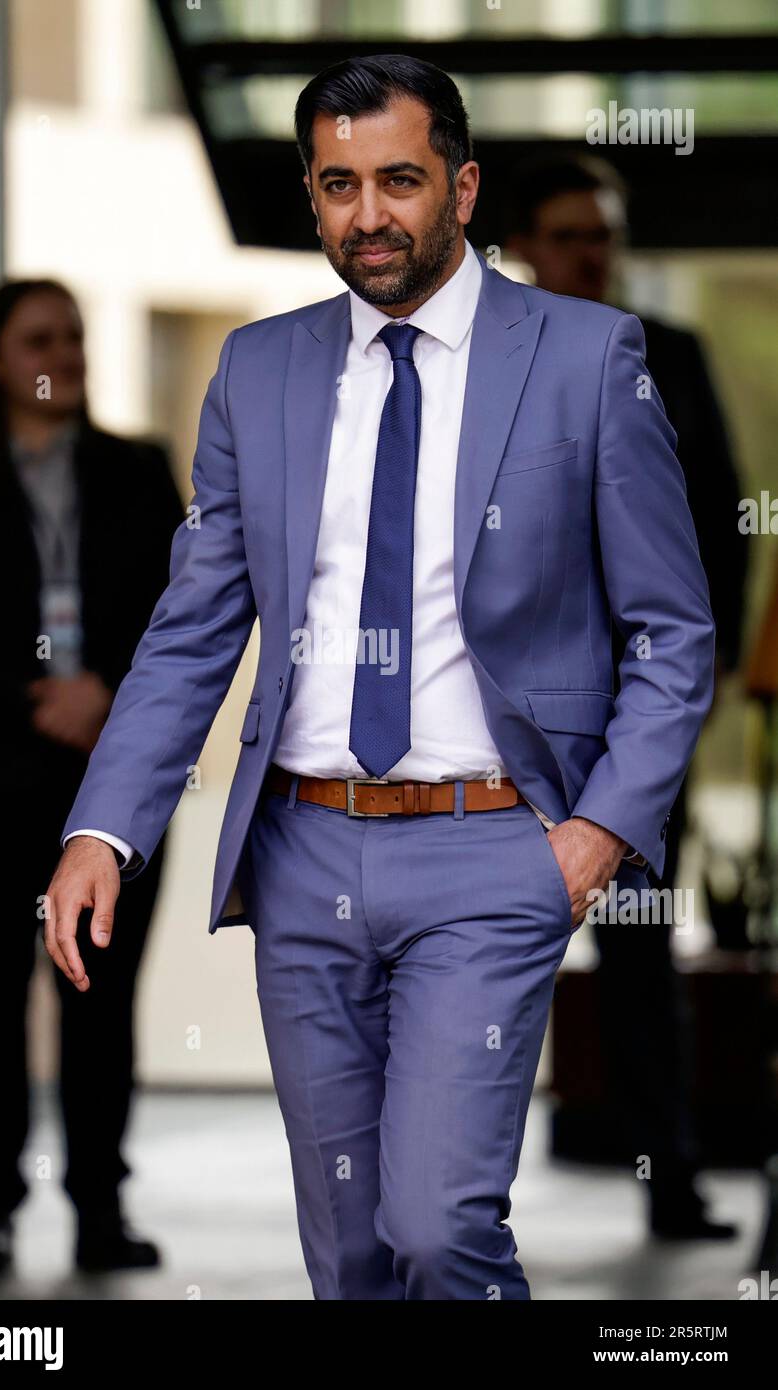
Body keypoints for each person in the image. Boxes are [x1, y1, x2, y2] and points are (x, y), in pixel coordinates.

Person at [46, 57, 715, 1299]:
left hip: (490, 850)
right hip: (302, 853)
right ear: (310, 197)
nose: (369, 215)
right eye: (338, 184)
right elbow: (193, 628)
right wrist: (104, 825)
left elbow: (670, 628)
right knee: (351, 1259)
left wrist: (597, 833)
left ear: (459, 187)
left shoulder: (583, 356)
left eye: (398, 180)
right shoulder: (258, 369)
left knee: (435, 1229)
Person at [0, 279, 184, 1276]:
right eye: (40, 338)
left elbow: (180, 603)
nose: (64, 353)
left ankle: (101, 1207)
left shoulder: (139, 471)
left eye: (73, 335)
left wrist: (106, 692)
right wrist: (42, 694)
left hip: (107, 784)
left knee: (99, 1004)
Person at [505, 152, 744, 1238]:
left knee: (643, 946)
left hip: (641, 716)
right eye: (565, 233)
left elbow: (719, 524)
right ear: (521, 249)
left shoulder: (670, 354)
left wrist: (695, 684)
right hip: (507, 721)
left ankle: (670, 1178)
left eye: (599, 232)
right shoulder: (485, 364)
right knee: (487, 945)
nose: (586, 252)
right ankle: (456, 1197)